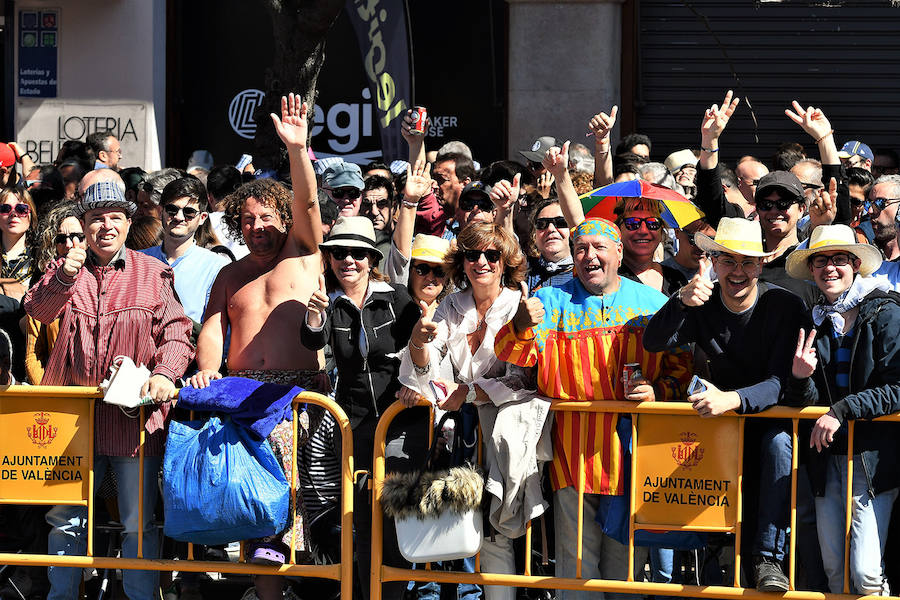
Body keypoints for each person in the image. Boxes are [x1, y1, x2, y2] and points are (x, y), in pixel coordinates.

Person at [186, 94, 328, 600]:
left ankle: (308, 590)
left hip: (301, 399)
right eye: (246, 219)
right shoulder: (229, 274)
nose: (257, 227)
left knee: (305, 508)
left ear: (284, 219)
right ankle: (266, 595)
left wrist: (298, 148)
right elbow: (212, 327)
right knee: (255, 507)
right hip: (242, 399)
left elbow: (309, 203)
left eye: (267, 216)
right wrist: (206, 371)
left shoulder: (305, 251)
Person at [23, 179, 193, 600]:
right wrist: (64, 275)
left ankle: (139, 596)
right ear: (82, 224)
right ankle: (60, 596)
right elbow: (38, 310)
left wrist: (166, 374)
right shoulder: (65, 267)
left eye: (115, 217)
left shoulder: (153, 272)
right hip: (71, 422)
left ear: (127, 221)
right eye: (96, 218)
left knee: (137, 521)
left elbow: (178, 333)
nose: (106, 226)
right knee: (65, 518)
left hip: (134, 422)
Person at [642, 216, 811, 593]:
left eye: (747, 261)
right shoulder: (700, 301)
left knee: (779, 444)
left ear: (762, 264)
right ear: (714, 263)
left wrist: (731, 400)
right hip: (713, 426)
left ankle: (769, 558)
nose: (738, 271)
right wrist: (680, 302)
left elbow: (780, 383)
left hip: (767, 421)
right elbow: (653, 342)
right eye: (728, 261)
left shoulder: (785, 305)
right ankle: (711, 555)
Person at [399, 221, 545, 600]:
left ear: (504, 261)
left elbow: (527, 378)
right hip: (456, 435)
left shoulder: (520, 304)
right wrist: (418, 342)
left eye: (491, 255)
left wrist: (473, 391)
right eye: (471, 255)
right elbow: (428, 372)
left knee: (496, 531)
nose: (481, 261)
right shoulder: (450, 305)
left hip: (505, 433)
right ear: (461, 262)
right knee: (458, 526)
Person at [301, 215, 421, 600]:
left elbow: (425, 353)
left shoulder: (396, 299)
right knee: (362, 521)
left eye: (356, 253)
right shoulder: (328, 303)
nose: (347, 260)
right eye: (338, 253)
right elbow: (310, 339)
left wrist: (414, 386)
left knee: (396, 520)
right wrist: (315, 313)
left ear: (371, 259)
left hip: (401, 425)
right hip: (353, 429)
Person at [783, 224, 899, 595]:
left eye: (838, 260)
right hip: (826, 457)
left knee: (865, 574)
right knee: (835, 572)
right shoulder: (813, 321)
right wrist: (800, 377)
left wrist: (843, 409)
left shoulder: (884, 311)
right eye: (820, 261)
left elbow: (898, 386)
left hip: (873, 458)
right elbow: (809, 400)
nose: (829, 268)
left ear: (855, 266)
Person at [141, 177, 229, 324]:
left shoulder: (216, 267)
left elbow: (217, 332)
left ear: (202, 218)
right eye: (172, 210)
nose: (179, 217)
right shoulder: (138, 260)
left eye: (189, 212)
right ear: (161, 211)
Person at [25, 202, 85, 384]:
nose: (68, 244)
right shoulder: (44, 286)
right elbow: (33, 355)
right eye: (61, 239)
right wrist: (49, 394)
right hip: (55, 390)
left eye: (77, 237)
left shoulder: (106, 280)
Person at [525, 198, 573, 292]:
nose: (550, 229)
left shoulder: (586, 274)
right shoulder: (524, 270)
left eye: (561, 222)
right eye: (542, 224)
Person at [361, 174, 395, 267]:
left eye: (382, 203)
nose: (374, 212)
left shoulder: (402, 241)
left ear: (393, 207)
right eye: (367, 204)